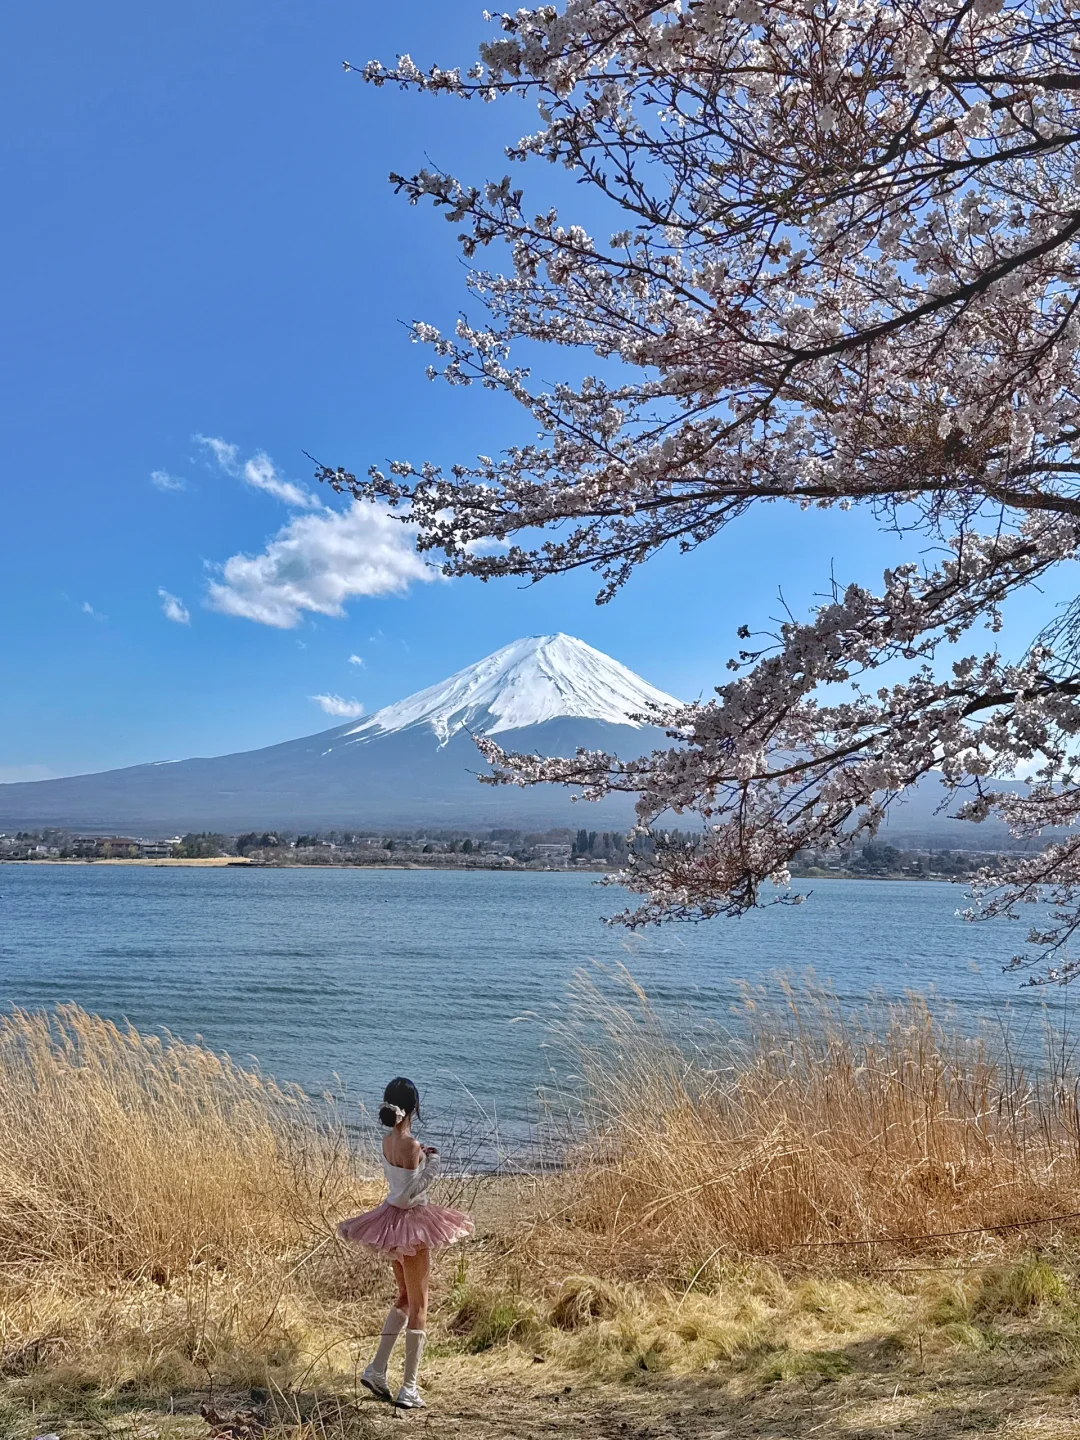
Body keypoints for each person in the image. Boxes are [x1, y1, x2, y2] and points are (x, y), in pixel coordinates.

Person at [337, 1076, 474, 1409]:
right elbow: (409, 1192)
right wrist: (434, 1163)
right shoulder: (412, 1146)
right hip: (411, 1226)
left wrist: (422, 1161)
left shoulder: (387, 1142)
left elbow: (398, 1186)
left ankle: (377, 1369)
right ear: (414, 1108)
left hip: (391, 1225)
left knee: (403, 1296)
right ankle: (409, 1388)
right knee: (420, 1305)